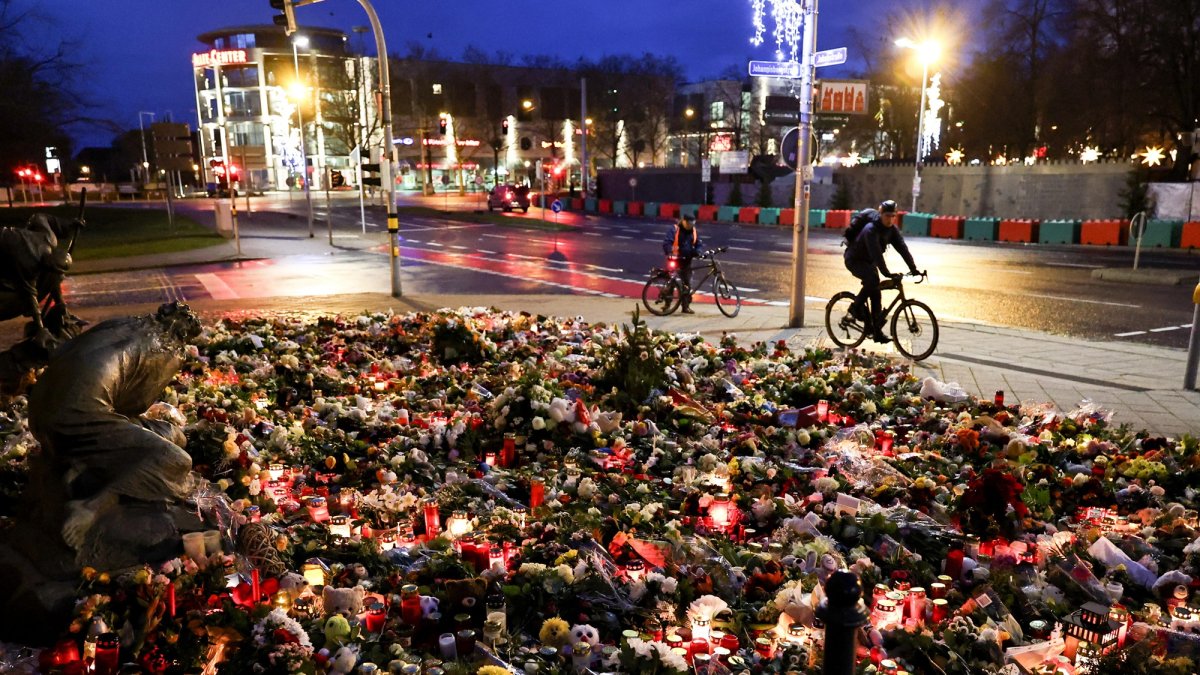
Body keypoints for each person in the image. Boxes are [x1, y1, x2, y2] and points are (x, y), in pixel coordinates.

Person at [843, 199, 920, 343]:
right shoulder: (870, 229)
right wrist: (887, 273)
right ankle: (854, 309)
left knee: (876, 293)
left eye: (893, 216)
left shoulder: (892, 230)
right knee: (872, 281)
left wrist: (913, 268)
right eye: (887, 216)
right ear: (881, 214)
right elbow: (876, 254)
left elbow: (902, 248)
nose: (890, 219)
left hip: (868, 262)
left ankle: (876, 332)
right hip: (854, 259)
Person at [662, 214, 705, 313]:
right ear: (684, 221)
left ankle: (685, 307)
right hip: (674, 259)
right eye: (689, 223)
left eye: (693, 223)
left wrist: (698, 251)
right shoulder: (674, 229)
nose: (691, 226)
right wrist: (670, 250)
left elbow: (698, 243)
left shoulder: (693, 231)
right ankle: (667, 305)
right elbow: (667, 243)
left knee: (687, 284)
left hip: (686, 261)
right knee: (671, 283)